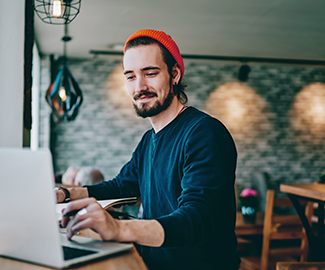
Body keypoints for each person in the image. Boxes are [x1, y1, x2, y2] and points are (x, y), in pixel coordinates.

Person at [55, 29, 239, 269]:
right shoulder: (148, 140)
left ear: (174, 74)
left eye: (150, 73)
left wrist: (119, 228)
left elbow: (198, 218)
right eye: (130, 77)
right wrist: (65, 195)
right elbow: (120, 186)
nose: (139, 87)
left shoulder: (204, 133)